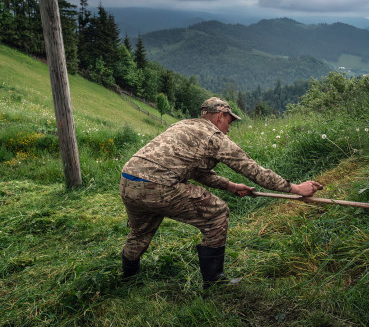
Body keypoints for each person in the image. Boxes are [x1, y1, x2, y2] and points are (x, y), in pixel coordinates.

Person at [119, 97, 322, 289]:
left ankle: (128, 279)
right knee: (217, 212)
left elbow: (197, 171)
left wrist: (230, 186)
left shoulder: (182, 126)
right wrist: (296, 188)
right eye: (229, 122)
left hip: (128, 180)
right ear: (219, 116)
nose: (228, 129)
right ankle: (214, 282)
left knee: (140, 232)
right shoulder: (214, 136)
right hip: (159, 185)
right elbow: (254, 170)